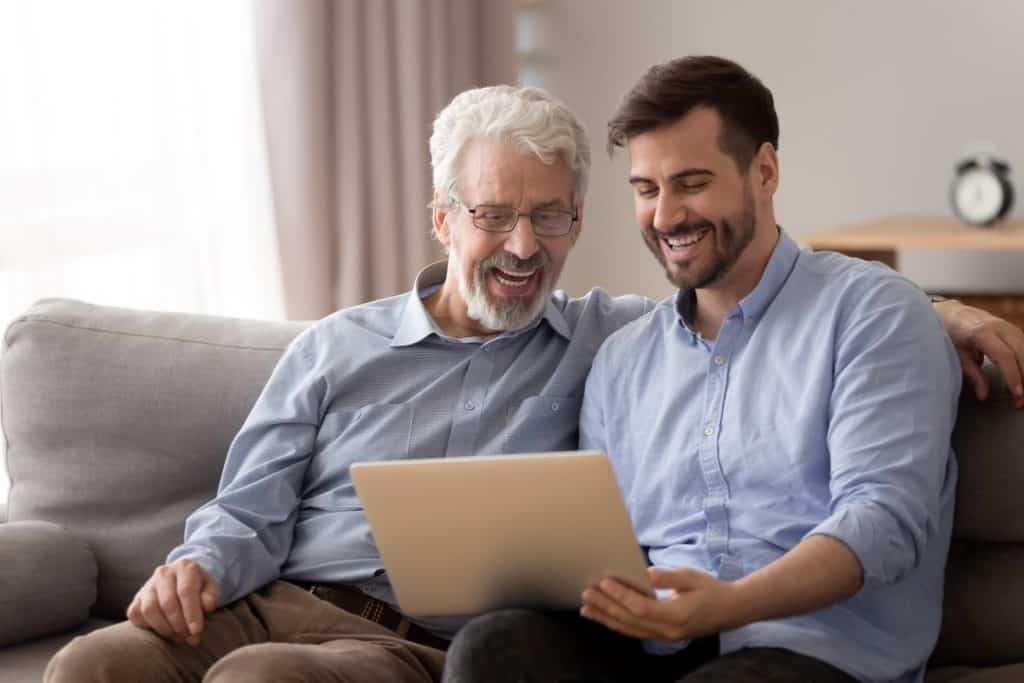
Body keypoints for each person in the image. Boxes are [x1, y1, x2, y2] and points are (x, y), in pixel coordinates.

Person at [46, 82, 1024, 683]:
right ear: (442, 218)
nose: (525, 246)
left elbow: (769, 308)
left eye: (552, 218)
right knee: (94, 661)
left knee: (262, 679)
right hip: (273, 596)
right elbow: (246, 507)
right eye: (497, 215)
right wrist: (198, 563)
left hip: (404, 644)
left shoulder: (611, 339)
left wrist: (932, 309)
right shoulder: (333, 347)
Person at [443, 57, 978, 683]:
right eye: (647, 189)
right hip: (653, 647)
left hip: (809, 651)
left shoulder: (874, 314)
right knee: (493, 649)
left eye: (691, 183)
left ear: (766, 171)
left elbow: (884, 520)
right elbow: (607, 546)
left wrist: (729, 606)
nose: (666, 216)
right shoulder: (622, 359)